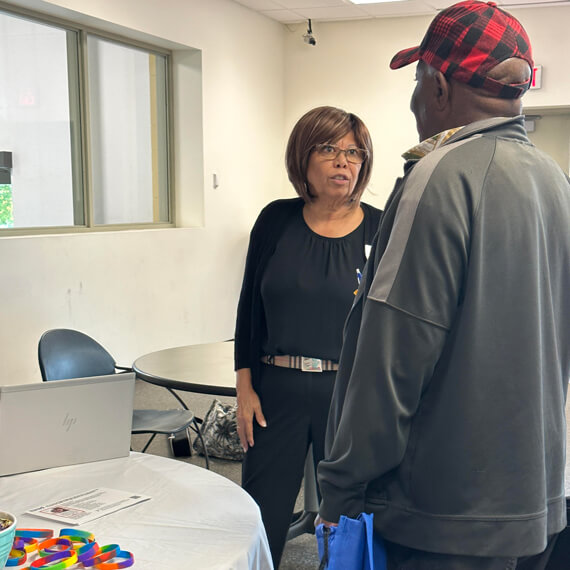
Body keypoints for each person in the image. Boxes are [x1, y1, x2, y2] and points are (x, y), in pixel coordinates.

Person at [316, 2, 570, 569]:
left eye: (415, 80)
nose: (411, 102)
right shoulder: (556, 182)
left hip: (442, 521)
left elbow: (394, 352)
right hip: (536, 507)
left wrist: (342, 485)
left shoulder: (437, 177)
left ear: (437, 85)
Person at [234, 105, 382, 568]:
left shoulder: (383, 226)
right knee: (262, 510)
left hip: (351, 393)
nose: (344, 161)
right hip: (275, 390)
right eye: (329, 148)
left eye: (354, 152)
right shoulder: (275, 220)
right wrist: (244, 386)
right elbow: (248, 309)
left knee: (350, 517)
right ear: (303, 156)